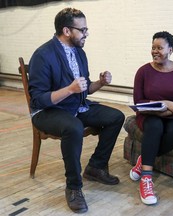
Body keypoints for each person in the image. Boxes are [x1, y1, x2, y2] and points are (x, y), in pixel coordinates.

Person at [28, 8, 125, 213]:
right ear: (66, 30)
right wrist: (69, 89)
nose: (86, 33)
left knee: (116, 116)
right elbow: (39, 99)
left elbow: (85, 89)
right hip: (47, 112)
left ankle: (96, 167)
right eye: (83, 30)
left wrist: (100, 83)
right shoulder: (43, 55)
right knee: (74, 127)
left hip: (76, 107)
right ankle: (73, 187)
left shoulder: (79, 52)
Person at [129, 31, 173, 205]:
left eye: (159, 48)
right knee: (155, 126)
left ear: (170, 49)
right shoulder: (143, 71)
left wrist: (170, 111)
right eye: (153, 47)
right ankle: (146, 180)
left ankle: (143, 159)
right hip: (149, 116)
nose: (155, 51)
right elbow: (139, 101)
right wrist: (164, 104)